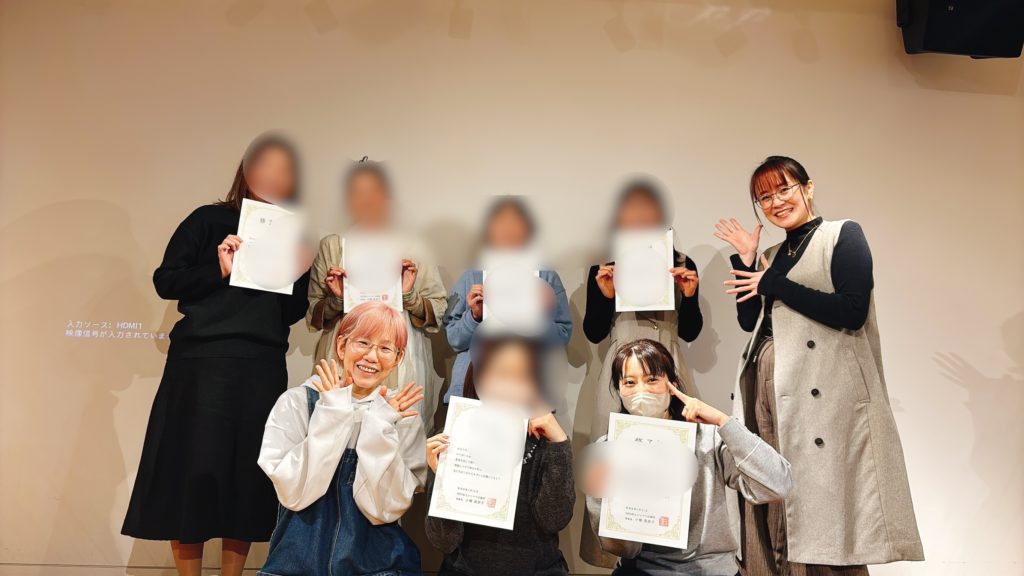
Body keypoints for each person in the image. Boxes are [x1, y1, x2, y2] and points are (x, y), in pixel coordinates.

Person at [715, 156, 923, 575]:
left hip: (823, 395)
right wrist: (748, 260)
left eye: (784, 189)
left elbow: (851, 310)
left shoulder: (843, 235)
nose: (776, 202)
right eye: (765, 197)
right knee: (773, 491)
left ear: (808, 188)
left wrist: (774, 282)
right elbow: (750, 321)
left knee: (825, 507)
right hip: (770, 388)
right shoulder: (772, 254)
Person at [122, 133, 311, 576]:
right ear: (246, 170)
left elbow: (289, 314)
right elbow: (166, 281)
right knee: (191, 473)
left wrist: (298, 273)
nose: (275, 176)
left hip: (261, 367)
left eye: (285, 169)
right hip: (201, 364)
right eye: (266, 165)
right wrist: (219, 268)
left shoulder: (293, 234)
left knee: (245, 480)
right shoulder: (208, 219)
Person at [584, 338, 793, 576]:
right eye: (629, 382)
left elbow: (778, 484)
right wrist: (610, 502)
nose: (641, 391)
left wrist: (723, 422)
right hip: (642, 570)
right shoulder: (609, 450)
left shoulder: (707, 438)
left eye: (652, 379)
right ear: (619, 390)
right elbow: (624, 549)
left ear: (672, 385)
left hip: (711, 570)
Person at [581, 178, 704, 568]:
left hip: (668, 370)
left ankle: (675, 552)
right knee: (617, 461)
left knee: (676, 458)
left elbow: (691, 332)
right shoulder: (605, 267)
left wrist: (690, 296)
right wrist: (604, 296)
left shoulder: (682, 262)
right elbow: (593, 332)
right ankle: (619, 557)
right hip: (623, 374)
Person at [258, 301, 427, 576]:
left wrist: (380, 426)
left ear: (398, 358)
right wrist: (332, 414)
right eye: (363, 343)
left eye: (385, 348)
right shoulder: (296, 402)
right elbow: (295, 494)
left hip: (377, 566)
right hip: (296, 564)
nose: (372, 357)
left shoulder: (403, 415)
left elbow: (383, 510)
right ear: (341, 346)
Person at [306, 157, 447, 425]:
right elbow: (313, 314)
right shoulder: (333, 246)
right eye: (357, 192)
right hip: (345, 355)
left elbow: (439, 308)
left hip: (399, 354)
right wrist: (337, 299)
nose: (366, 199)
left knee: (398, 430)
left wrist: (408, 296)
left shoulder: (414, 246)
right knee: (338, 429)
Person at [425, 336, 575, 576]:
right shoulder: (454, 438)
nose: (509, 388)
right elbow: (444, 541)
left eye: (523, 377)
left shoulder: (545, 442)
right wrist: (442, 480)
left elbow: (554, 520)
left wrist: (559, 444)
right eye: (500, 374)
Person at [442, 196, 573, 420]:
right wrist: (474, 316)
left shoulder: (545, 276)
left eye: (515, 222)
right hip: (472, 389)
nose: (508, 230)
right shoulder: (472, 275)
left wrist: (537, 320)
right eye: (500, 222)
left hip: (528, 389)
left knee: (526, 444)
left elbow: (562, 335)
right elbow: (454, 339)